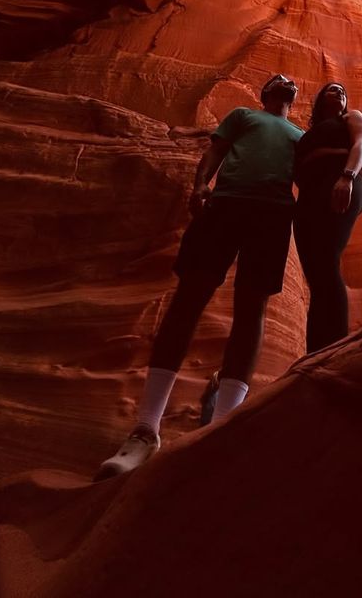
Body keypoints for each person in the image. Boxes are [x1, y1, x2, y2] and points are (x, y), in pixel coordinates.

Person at [95, 74, 303, 479]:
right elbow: (217, 151)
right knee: (189, 296)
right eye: (277, 80)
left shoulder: (300, 134)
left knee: (252, 309)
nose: (285, 81)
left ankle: (220, 430)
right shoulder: (243, 115)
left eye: (289, 81)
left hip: (274, 215)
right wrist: (199, 185)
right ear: (265, 94)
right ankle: (145, 430)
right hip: (224, 205)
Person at [293, 83, 362, 353]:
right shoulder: (309, 133)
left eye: (342, 91)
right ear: (319, 99)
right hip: (309, 197)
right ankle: (315, 352)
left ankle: (335, 350)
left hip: (340, 183)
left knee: (326, 262)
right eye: (332, 90)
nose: (339, 93)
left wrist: (347, 177)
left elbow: (361, 145)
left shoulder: (352, 118)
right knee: (317, 276)